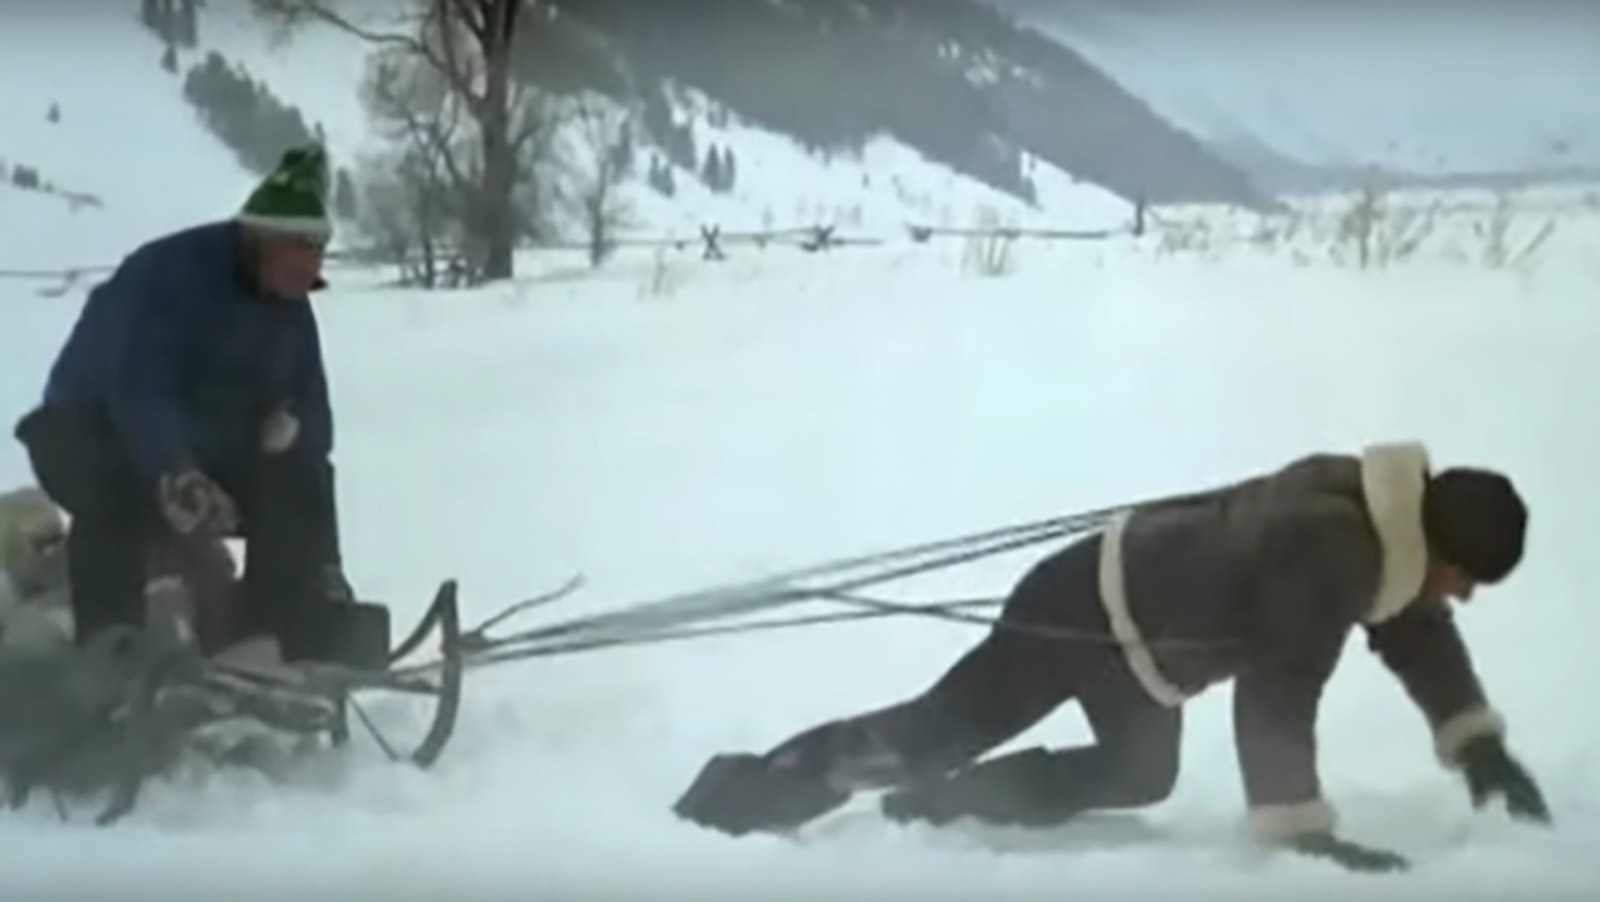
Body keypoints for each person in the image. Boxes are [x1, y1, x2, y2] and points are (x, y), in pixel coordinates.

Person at [673, 442, 1552, 873]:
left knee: (1141, 773)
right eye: (1464, 577)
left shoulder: (1379, 525)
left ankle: (935, 810)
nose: (1461, 595)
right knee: (937, 729)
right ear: (1434, 544)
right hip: (1082, 608)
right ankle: (731, 801)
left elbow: (1411, 626)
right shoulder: (1337, 545)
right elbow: (1281, 687)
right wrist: (1302, 832)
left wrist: (1475, 742)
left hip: (1141, 651)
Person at [10, 145, 371, 666]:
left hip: (200, 445)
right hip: (88, 428)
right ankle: (112, 657)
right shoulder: (170, 276)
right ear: (261, 243)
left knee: (295, 485)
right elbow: (137, 388)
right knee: (115, 496)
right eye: (296, 268)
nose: (305, 285)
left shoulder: (289, 308)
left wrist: (322, 558)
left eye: (313, 271)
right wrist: (175, 471)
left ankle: (272, 645)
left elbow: (312, 420)